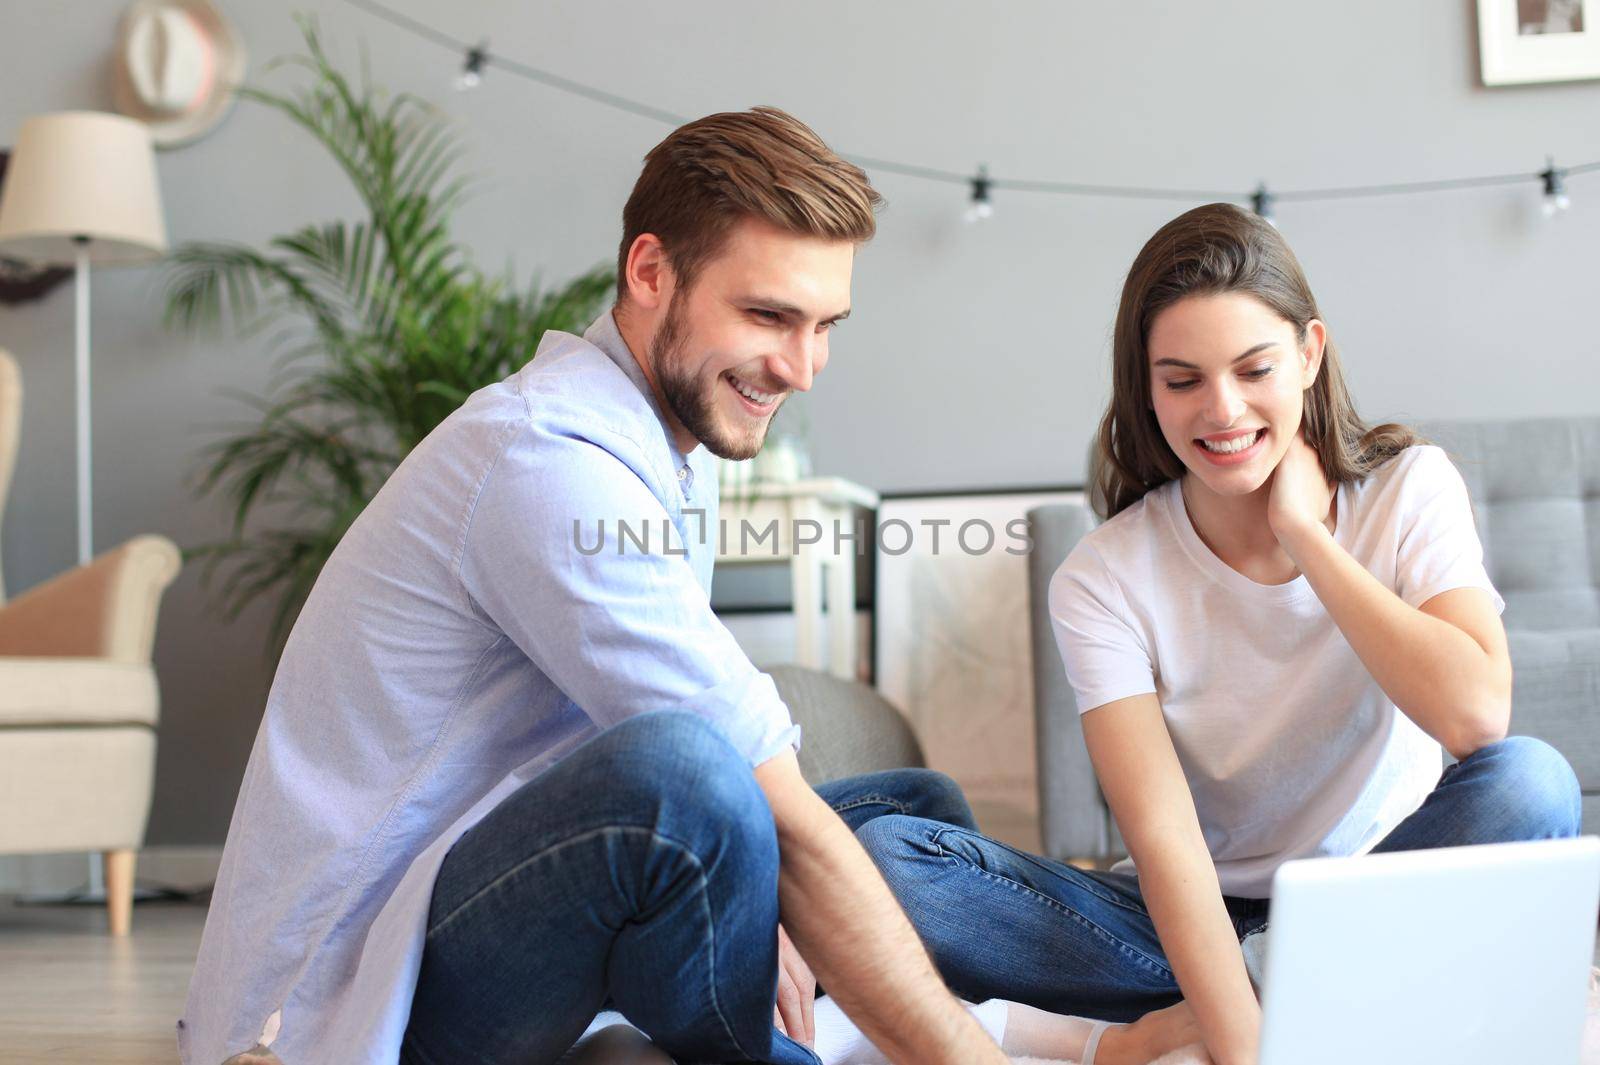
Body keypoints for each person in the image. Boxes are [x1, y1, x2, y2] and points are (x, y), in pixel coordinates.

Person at [178, 107, 1013, 1065]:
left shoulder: (664, 452)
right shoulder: (548, 463)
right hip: (353, 990)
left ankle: (1190, 980)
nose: (803, 367)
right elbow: (718, 778)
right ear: (651, 272)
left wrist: (774, 876)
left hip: (514, 894)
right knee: (687, 783)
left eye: (825, 325)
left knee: (910, 813)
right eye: (769, 316)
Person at [855, 203, 1582, 1065]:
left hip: (1370, 891)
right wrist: (1243, 1047)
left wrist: (1309, 539)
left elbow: (1475, 718)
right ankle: (1321, 991)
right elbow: (1165, 842)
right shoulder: (1104, 576)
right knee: (892, 860)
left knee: (1532, 781)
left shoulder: (1409, 489)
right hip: (1178, 926)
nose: (1222, 408)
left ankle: (1242, 995)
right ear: (1146, 384)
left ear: (1310, 353)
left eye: (1253, 368)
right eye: (1182, 378)